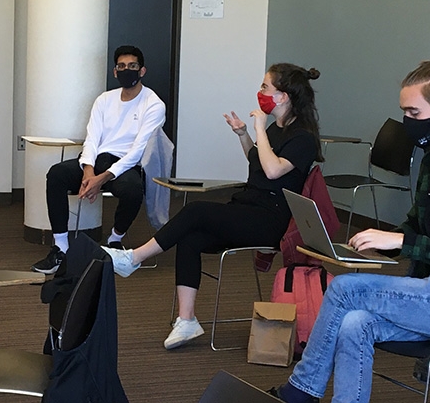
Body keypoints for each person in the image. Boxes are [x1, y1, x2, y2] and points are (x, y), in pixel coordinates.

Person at [269, 58, 430, 403]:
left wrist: (399, 239)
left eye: (413, 113)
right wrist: (377, 244)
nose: (406, 122)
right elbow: (415, 225)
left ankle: (301, 391)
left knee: (344, 289)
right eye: (405, 113)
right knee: (354, 324)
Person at [103, 63, 323, 349]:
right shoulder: (278, 129)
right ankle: (187, 321)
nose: (260, 92)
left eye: (265, 87)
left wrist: (259, 129)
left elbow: (272, 171)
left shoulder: (302, 137)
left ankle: (134, 258)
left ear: (283, 96)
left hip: (270, 221)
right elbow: (257, 163)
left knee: (196, 210)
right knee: (190, 238)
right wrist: (244, 135)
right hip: (249, 207)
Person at [30, 45, 166, 274]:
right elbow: (91, 139)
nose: (126, 70)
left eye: (132, 66)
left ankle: (114, 241)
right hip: (97, 161)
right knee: (56, 174)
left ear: (142, 71)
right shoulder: (104, 100)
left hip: (125, 166)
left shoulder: (153, 104)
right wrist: (88, 173)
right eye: (121, 67)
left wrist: (100, 179)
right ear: (115, 72)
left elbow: (137, 151)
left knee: (133, 190)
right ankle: (61, 248)